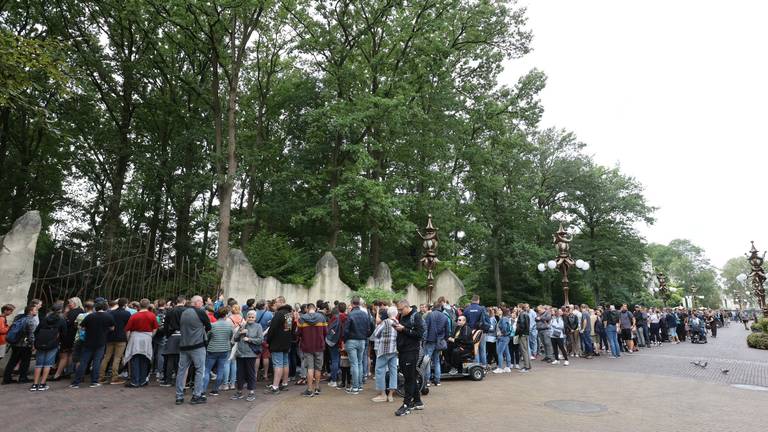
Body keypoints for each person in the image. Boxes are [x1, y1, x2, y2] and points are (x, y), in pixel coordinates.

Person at [175, 295, 211, 405]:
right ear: (197, 302)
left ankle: (179, 396)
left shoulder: (184, 312)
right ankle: (196, 395)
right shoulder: (200, 312)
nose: (202, 304)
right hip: (197, 346)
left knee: (181, 371)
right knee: (200, 370)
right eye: (201, 302)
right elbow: (209, 327)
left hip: (184, 345)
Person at [70, 301, 116, 388]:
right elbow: (112, 328)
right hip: (101, 341)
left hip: (89, 341)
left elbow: (82, 327)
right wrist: (105, 331)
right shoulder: (109, 316)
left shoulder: (90, 316)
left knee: (83, 361)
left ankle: (76, 382)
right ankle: (94, 381)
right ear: (105, 307)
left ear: (95, 308)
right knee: (97, 362)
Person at [394, 299, 425, 417]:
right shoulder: (403, 316)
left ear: (407, 307)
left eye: (401, 310)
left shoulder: (416, 316)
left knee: (409, 379)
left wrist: (403, 329)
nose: (400, 312)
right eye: (398, 310)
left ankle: (406, 405)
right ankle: (418, 401)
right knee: (410, 376)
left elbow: (419, 334)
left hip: (411, 351)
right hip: (403, 350)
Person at [31, 303, 67, 391]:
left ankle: (35, 384)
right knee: (48, 364)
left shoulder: (45, 319)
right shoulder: (61, 320)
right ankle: (42, 384)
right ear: (60, 310)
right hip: (53, 343)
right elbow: (64, 334)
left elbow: (36, 331)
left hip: (40, 343)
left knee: (38, 364)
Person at [123, 298, 158, 388]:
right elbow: (155, 328)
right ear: (148, 305)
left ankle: (135, 381)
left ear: (139, 305)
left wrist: (128, 339)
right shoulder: (152, 315)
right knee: (145, 358)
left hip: (135, 338)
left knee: (134, 358)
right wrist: (150, 336)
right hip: (147, 338)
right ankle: (142, 380)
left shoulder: (134, 316)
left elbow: (128, 329)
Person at [342, 295, 373, 395]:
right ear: (359, 303)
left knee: (355, 364)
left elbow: (346, 330)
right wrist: (366, 335)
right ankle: (359, 386)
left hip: (351, 340)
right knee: (359, 363)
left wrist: (345, 340)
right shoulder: (365, 314)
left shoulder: (350, 314)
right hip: (362, 340)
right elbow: (370, 326)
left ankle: (355, 387)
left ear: (351, 304)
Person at [231, 310, 264, 402]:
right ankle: (239, 391)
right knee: (240, 373)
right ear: (246, 317)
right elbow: (235, 339)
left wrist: (249, 339)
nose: (250, 318)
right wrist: (240, 332)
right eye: (249, 316)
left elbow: (260, 340)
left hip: (251, 354)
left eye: (252, 317)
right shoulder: (242, 326)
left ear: (255, 318)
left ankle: (251, 392)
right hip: (240, 353)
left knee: (250, 373)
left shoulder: (258, 326)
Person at [296, 303, 327, 397]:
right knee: (318, 368)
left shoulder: (302, 318)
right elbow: (326, 332)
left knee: (310, 368)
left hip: (307, 346)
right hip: (319, 346)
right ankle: (317, 388)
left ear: (307, 309)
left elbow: (298, 333)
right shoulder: (322, 317)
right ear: (315, 309)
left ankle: (309, 390)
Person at [3, 304, 38, 384]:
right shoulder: (31, 320)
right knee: (25, 362)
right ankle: (23, 378)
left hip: (15, 343)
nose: (36, 311)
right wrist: (33, 345)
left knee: (12, 361)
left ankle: (6, 378)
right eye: (35, 310)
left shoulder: (19, 317)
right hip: (24, 345)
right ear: (30, 311)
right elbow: (31, 335)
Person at [99, 298, 131, 385]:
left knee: (106, 357)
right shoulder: (127, 313)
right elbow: (128, 327)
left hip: (110, 337)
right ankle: (114, 377)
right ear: (125, 304)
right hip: (121, 337)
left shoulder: (110, 312)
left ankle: (101, 376)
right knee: (117, 358)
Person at [265, 296, 293, 394]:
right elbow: (288, 329)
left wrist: (268, 340)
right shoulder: (289, 314)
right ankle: (284, 383)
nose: (275, 304)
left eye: (276, 302)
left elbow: (272, 330)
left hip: (277, 343)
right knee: (285, 363)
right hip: (286, 342)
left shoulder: (278, 314)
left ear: (281, 302)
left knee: (278, 364)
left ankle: (275, 386)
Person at [203, 306, 234, 396]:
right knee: (220, 369)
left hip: (212, 349)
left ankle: (203, 390)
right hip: (225, 349)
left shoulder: (213, 325)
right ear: (226, 315)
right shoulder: (229, 326)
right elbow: (230, 337)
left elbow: (207, 337)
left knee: (207, 369)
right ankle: (215, 390)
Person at [371, 305, 399, 403]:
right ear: (396, 314)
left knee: (379, 371)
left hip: (383, 350)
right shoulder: (397, 322)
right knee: (393, 371)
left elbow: (376, 334)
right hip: (394, 350)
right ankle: (391, 395)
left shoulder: (385, 322)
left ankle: (383, 394)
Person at [162, 296, 187, 387]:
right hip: (183, 336)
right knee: (182, 359)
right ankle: (180, 380)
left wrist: (167, 335)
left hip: (172, 336)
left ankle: (168, 380)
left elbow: (165, 325)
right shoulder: (186, 311)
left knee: (170, 359)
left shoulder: (170, 311)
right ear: (183, 301)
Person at [423, 301, 449, 386]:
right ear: (441, 307)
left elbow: (425, 328)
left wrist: (424, 339)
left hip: (430, 341)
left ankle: (427, 381)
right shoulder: (445, 317)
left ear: (433, 307)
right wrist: (443, 339)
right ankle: (437, 380)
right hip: (439, 341)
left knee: (427, 361)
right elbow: (447, 331)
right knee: (437, 361)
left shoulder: (430, 315)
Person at [326, 302, 347, 388]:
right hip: (343, 342)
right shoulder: (347, 317)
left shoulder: (334, 318)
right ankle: (343, 379)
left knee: (335, 360)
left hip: (334, 342)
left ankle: (334, 380)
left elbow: (329, 329)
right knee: (342, 360)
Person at [463, 295, 488, 367]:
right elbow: (486, 320)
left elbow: (464, 321)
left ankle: (477, 366)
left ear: (472, 300)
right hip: (481, 331)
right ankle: (484, 366)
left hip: (471, 332)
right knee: (482, 349)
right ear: (478, 300)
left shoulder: (467, 309)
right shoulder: (482, 309)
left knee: (475, 349)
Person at [493, 308, 512, 373]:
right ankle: (508, 367)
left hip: (503, 337)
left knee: (499, 352)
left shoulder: (503, 319)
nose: (497, 311)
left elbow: (504, 327)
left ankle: (500, 368)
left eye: (499, 310)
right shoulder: (507, 318)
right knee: (507, 352)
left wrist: (502, 333)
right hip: (506, 337)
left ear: (502, 312)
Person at [516, 304, 531, 372]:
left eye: (517, 307)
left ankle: (526, 367)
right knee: (526, 350)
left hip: (523, 334)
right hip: (526, 334)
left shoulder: (522, 314)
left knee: (524, 350)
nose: (516, 308)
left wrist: (519, 333)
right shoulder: (526, 314)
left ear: (520, 308)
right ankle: (528, 365)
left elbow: (521, 325)